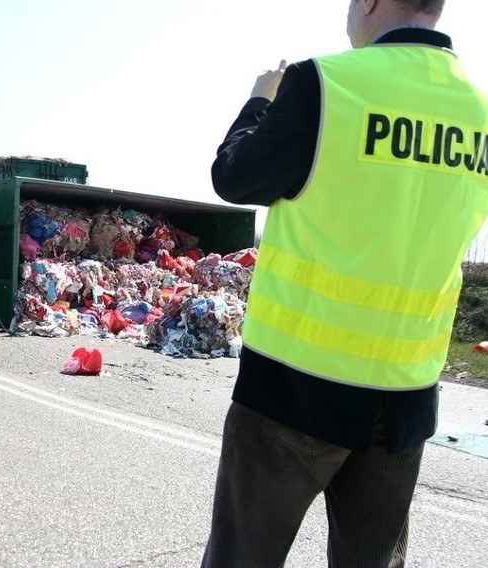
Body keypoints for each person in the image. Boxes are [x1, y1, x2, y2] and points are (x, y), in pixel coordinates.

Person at [201, 1, 488, 566]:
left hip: (294, 386)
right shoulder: (479, 113)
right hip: (405, 395)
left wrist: (262, 97)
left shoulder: (325, 83)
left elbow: (234, 177)